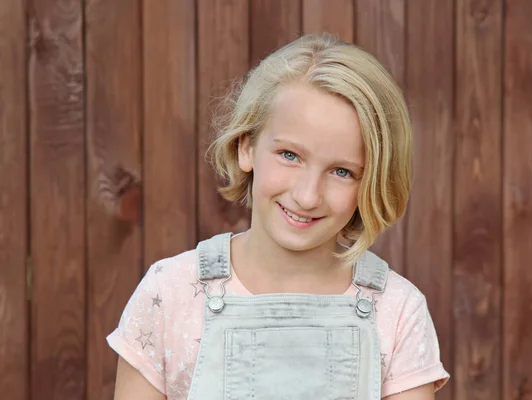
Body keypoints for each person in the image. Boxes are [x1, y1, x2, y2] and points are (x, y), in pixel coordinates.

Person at [108, 33, 449, 400]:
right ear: (246, 147)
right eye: (289, 155)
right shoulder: (169, 294)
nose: (307, 195)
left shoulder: (397, 311)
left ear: (372, 182)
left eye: (342, 172)